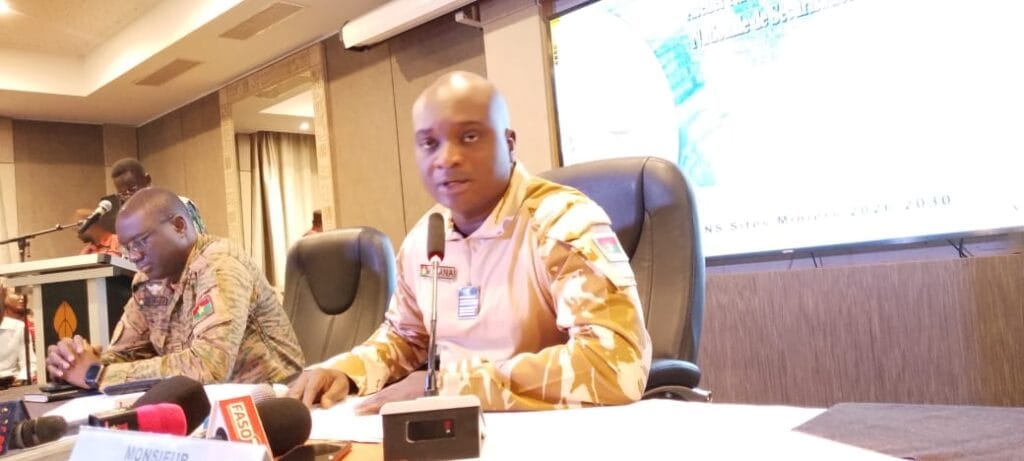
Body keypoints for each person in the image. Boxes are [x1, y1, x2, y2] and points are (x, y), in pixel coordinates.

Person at [288, 71, 651, 412]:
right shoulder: (424, 240)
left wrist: (452, 387)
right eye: (429, 143)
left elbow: (614, 364)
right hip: (451, 428)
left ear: (509, 143)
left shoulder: (562, 222)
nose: (446, 159)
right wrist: (345, 371)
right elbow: (406, 338)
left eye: (470, 137)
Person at [45, 187, 304, 390]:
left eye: (141, 242)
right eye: (127, 247)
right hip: (204, 407)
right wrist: (74, 362)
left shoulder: (220, 265)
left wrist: (97, 375)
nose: (133, 256)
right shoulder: (148, 281)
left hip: (273, 401)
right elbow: (127, 355)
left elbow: (208, 368)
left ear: (179, 226)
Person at [110, 158, 207, 234]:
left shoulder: (180, 205)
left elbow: (201, 245)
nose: (129, 198)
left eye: (132, 189)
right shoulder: (130, 222)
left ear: (147, 180)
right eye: (123, 194)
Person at [1, 284, 36, 386]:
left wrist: (21, 379)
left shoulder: (19, 327)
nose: (21, 297)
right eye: (16, 293)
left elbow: (29, 363)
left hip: (10, 383)